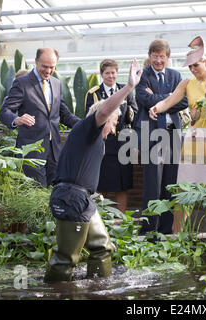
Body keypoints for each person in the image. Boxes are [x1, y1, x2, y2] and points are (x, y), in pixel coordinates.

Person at [44, 59, 142, 282]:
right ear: (105, 118)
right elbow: (105, 110)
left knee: (102, 248)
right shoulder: (88, 127)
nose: (115, 126)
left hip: (84, 200)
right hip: (70, 199)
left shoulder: (94, 137)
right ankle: (54, 292)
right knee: (66, 259)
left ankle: (99, 289)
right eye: (114, 121)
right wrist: (128, 88)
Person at [149, 36, 206, 233]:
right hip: (194, 140)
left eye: (195, 65)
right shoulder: (187, 83)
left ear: (205, 61)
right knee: (184, 191)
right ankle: (177, 237)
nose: (192, 70)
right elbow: (169, 101)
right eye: (189, 67)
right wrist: (156, 107)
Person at [0, 48, 81, 187]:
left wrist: (88, 124)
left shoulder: (56, 84)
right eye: (45, 66)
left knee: (55, 193)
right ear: (36, 62)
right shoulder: (22, 83)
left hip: (54, 152)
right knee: (37, 194)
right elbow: (4, 111)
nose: (48, 71)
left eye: (52, 67)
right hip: (32, 151)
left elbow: (64, 114)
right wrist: (16, 119)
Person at [134, 39, 188, 235]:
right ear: (150, 56)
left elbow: (185, 101)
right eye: (155, 56)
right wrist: (171, 96)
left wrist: (159, 98)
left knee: (170, 185)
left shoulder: (176, 75)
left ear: (168, 57)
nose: (158, 60)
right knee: (152, 186)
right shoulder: (143, 76)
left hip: (173, 134)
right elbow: (143, 99)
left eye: (162, 56)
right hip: (151, 135)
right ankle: (149, 230)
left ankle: (166, 230)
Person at [84, 59, 138, 214]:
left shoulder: (126, 90)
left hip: (123, 144)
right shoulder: (93, 94)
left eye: (113, 72)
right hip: (104, 144)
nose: (111, 76)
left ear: (117, 73)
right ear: (101, 74)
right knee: (102, 184)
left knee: (123, 184)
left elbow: (134, 115)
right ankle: (102, 218)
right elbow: (89, 119)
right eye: (107, 73)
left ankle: (121, 219)